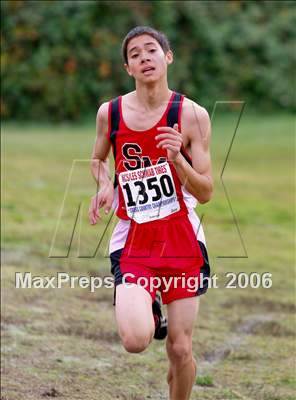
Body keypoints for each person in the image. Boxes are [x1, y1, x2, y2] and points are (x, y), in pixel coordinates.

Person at [89, 26, 213, 400]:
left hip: (181, 240)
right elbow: (97, 159)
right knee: (135, 340)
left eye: (152, 50)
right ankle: (150, 313)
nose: (145, 57)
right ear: (127, 67)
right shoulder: (110, 113)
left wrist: (177, 159)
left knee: (179, 349)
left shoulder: (192, 115)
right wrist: (104, 184)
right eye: (135, 54)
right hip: (134, 239)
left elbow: (205, 192)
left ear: (167, 57)